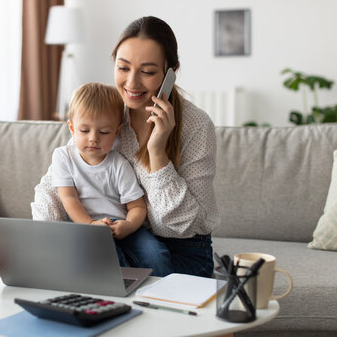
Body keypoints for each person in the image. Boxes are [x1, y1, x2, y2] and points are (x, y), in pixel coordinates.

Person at [32, 16, 219, 277]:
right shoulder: (107, 112)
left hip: (184, 251)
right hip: (120, 241)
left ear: (171, 72)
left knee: (96, 271)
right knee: (84, 267)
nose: (131, 84)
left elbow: (184, 225)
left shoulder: (196, 126)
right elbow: (54, 184)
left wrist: (157, 152)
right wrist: (48, 239)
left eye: (148, 72)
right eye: (123, 68)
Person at [52, 82, 163, 267]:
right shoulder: (63, 157)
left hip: (121, 226)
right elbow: (68, 198)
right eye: (84, 130)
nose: (93, 138)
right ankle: (124, 289)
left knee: (155, 254)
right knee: (106, 256)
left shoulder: (119, 164)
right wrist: (90, 225)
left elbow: (137, 207)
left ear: (116, 132)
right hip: (85, 227)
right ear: (72, 129)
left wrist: (128, 226)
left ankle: (162, 293)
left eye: (104, 132)